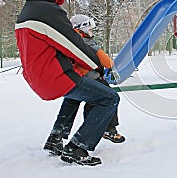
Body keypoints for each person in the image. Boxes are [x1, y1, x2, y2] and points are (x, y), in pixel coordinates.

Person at [15, 0, 120, 166]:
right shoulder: (46, 11)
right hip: (55, 75)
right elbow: (73, 44)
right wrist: (97, 65)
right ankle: (78, 147)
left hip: (38, 78)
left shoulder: (26, 12)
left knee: (75, 95)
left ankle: (56, 138)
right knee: (108, 98)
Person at [44, 14, 125, 157]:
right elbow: (105, 61)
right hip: (88, 78)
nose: (91, 32)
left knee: (72, 99)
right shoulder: (86, 41)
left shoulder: (69, 39)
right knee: (108, 96)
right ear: (81, 29)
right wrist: (112, 65)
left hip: (70, 78)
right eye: (89, 28)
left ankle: (56, 137)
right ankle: (108, 129)